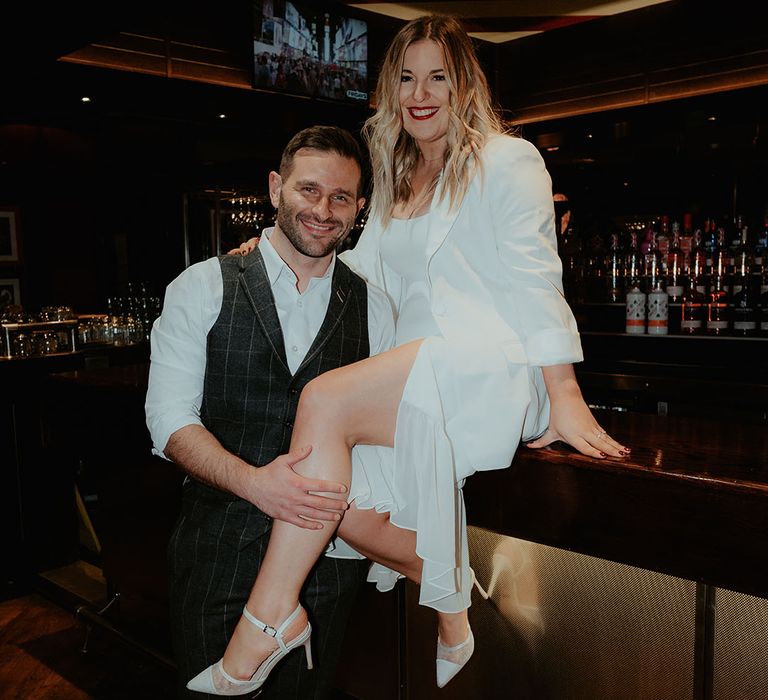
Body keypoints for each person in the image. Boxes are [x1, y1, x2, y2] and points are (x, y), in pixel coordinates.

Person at [190, 14, 630, 696]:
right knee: (336, 503)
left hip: (485, 363)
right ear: (390, 88)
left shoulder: (507, 160)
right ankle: (451, 597)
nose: (420, 93)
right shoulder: (395, 171)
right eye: (405, 77)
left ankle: (268, 618)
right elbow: (364, 268)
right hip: (412, 370)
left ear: (465, 86)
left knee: (322, 399)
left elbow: (535, 275)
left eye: (438, 78)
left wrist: (564, 396)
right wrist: (271, 248)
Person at [145, 125, 397, 699]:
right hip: (217, 553)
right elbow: (169, 422)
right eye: (308, 190)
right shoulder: (201, 286)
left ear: (360, 207)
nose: (322, 211)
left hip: (326, 568)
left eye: (341, 198)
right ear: (276, 187)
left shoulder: (374, 307)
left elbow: (383, 437)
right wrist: (256, 484)